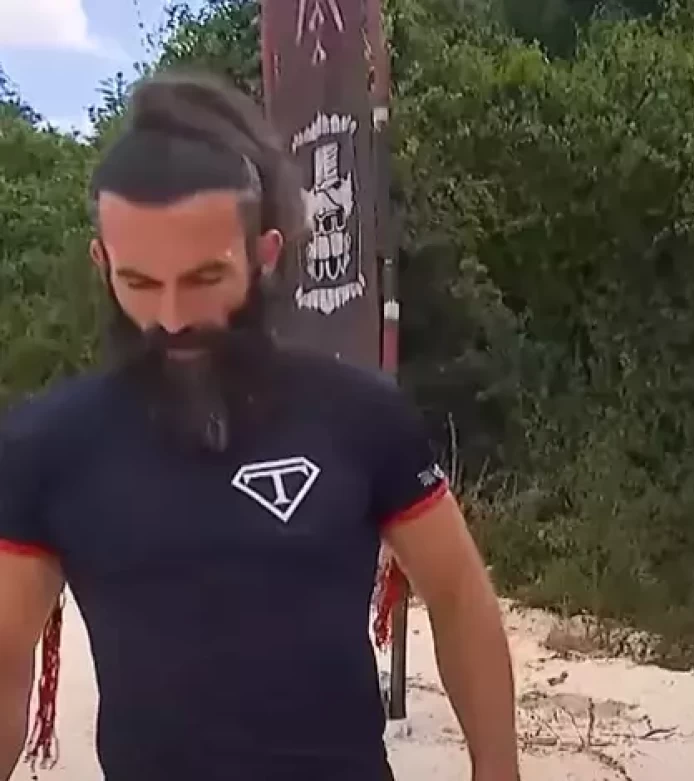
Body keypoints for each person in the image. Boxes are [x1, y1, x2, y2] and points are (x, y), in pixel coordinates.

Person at [0, 72, 520, 780]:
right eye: (140, 283)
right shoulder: (48, 447)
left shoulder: (359, 415)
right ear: (102, 264)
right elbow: (6, 657)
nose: (172, 317)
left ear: (265, 255)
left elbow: (458, 595)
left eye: (204, 278)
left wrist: (498, 771)